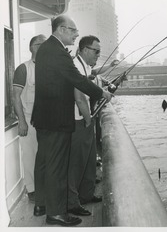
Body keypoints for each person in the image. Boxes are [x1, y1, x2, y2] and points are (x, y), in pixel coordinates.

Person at [31, 15, 113, 227]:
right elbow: (76, 80)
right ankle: (56, 214)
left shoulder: (49, 50)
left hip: (47, 119)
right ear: (61, 30)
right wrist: (101, 93)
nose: (77, 34)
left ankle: (47, 207)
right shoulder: (57, 52)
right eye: (73, 30)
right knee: (58, 168)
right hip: (55, 120)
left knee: (50, 166)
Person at [68, 35, 114, 216]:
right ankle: (72, 203)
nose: (98, 54)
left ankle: (86, 195)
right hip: (79, 121)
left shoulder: (87, 67)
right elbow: (79, 98)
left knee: (88, 160)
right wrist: (89, 120)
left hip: (87, 118)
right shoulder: (76, 67)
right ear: (85, 50)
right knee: (76, 163)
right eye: (96, 51)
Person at [12, 34, 47, 202]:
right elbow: (15, 96)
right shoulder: (23, 68)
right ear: (33, 47)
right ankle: (32, 190)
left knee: (46, 155)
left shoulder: (49, 68)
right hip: (29, 120)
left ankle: (46, 187)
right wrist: (22, 122)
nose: (45, 47)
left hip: (47, 121)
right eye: (42, 44)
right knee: (30, 155)